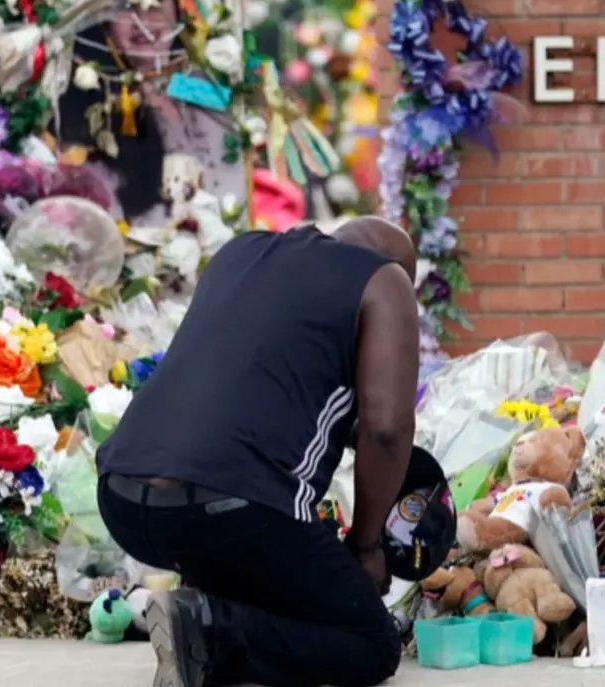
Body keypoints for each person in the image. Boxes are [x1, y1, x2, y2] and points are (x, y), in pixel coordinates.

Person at [96, 216, 419, 687]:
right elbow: (387, 430)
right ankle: (210, 634)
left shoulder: (241, 251)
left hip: (123, 495)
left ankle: (203, 613)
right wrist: (366, 546)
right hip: (229, 508)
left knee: (255, 559)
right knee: (370, 643)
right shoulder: (383, 278)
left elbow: (247, 382)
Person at [56, 0, 247, 226]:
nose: (143, 20)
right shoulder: (89, 107)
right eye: (126, 6)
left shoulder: (201, 86)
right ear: (102, 21)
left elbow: (244, 149)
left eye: (157, 1)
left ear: (177, 7)